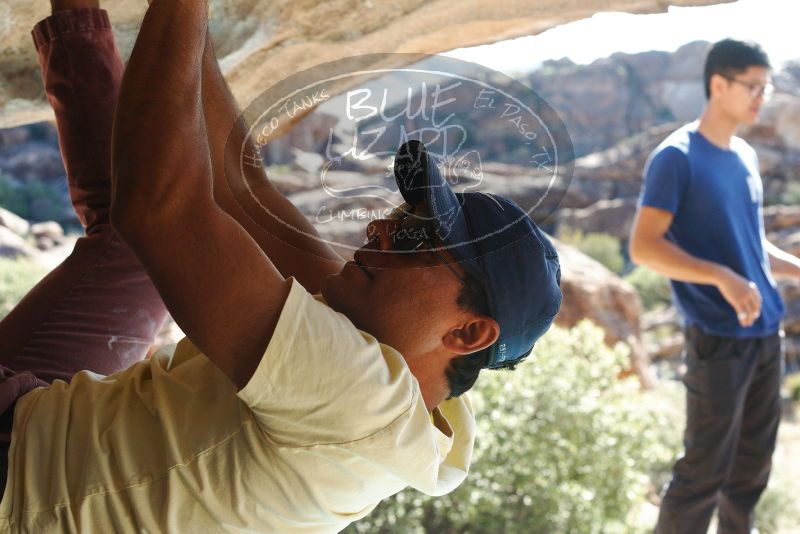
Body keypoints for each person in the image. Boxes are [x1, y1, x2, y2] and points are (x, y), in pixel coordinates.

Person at [0, 0, 562, 531]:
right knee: (129, 256)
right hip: (42, 417)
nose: (380, 229)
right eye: (400, 218)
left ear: (467, 332)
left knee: (143, 235)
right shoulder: (386, 347)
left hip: (15, 487)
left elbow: (159, 209)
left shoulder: (359, 401)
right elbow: (243, 191)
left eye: (418, 239)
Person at [630, 38, 800, 534]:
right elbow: (644, 247)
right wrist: (720, 277)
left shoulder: (744, 155)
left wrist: (794, 267)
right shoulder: (676, 157)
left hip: (767, 334)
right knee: (703, 473)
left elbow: (750, 243)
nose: (761, 97)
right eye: (752, 86)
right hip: (718, 339)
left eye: (765, 87)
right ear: (717, 84)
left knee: (749, 475)